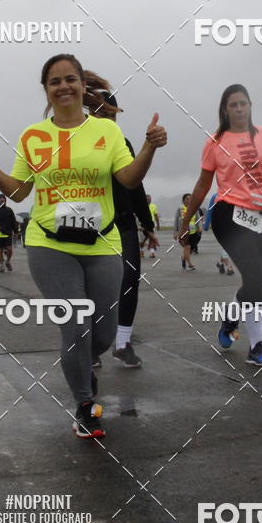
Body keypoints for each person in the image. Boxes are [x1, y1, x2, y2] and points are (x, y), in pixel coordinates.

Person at [0, 53, 167, 439]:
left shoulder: (107, 133)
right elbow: (21, 191)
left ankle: (85, 360)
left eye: (70, 79)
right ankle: (84, 404)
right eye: (55, 81)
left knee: (104, 334)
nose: (63, 86)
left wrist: (149, 147)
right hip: (49, 244)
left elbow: (128, 179)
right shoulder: (33, 136)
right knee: (75, 326)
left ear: (81, 85)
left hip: (102, 242)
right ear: (46, 89)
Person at [179, 84, 262, 366]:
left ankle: (230, 320)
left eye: (243, 103)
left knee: (258, 283)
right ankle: (257, 346)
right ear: (225, 110)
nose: (239, 109)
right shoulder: (214, 142)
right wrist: (187, 219)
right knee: (253, 279)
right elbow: (203, 184)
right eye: (233, 105)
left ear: (251, 106)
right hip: (229, 214)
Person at [85, 70, 157, 369]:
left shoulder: (122, 142)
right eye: (95, 111)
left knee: (128, 283)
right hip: (89, 227)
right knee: (92, 289)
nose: (101, 117)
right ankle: (89, 347)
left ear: (115, 114)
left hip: (123, 223)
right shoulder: (80, 143)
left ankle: (123, 343)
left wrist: (148, 225)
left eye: (106, 112)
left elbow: (134, 185)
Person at [204, 193, 234, 275]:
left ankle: (220, 263)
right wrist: (206, 224)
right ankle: (228, 267)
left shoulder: (235, 193)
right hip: (219, 224)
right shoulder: (215, 196)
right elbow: (210, 210)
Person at [0, 194, 19, 272]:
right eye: (0, 199)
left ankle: (8, 261)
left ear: (5, 200)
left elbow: (13, 221)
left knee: (9, 249)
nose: (2, 200)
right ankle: (1, 266)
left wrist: (16, 231)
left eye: (3, 199)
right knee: (0, 250)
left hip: (8, 232)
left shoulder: (9, 210)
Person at [173, 194, 201, 271]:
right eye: (187, 199)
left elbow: (198, 218)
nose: (189, 200)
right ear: (183, 200)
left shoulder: (194, 208)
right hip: (183, 232)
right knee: (187, 247)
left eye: (190, 199)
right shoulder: (180, 209)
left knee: (191, 249)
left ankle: (183, 258)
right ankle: (190, 264)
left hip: (193, 231)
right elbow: (176, 221)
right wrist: (175, 232)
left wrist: (199, 227)